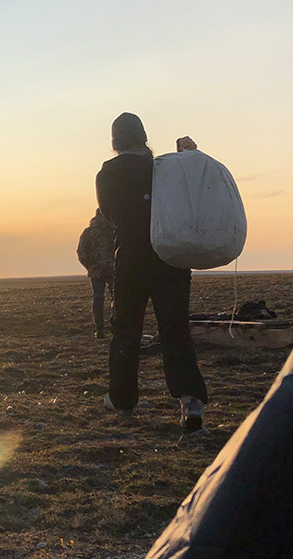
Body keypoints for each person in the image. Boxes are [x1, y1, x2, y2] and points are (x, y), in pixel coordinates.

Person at [96, 113, 208, 431]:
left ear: (115, 142)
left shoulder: (107, 173)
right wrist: (186, 156)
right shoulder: (164, 168)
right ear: (143, 137)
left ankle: (121, 397)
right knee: (175, 329)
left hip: (130, 258)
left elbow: (109, 213)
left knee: (126, 330)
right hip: (171, 257)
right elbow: (190, 193)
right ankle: (190, 401)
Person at [76, 209, 116, 338]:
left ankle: (100, 330)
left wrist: (90, 267)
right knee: (116, 298)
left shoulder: (88, 232)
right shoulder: (114, 230)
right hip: (113, 270)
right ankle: (115, 327)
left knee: (98, 299)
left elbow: (81, 252)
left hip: (97, 271)